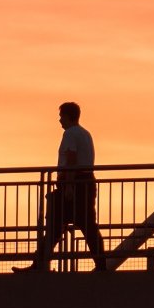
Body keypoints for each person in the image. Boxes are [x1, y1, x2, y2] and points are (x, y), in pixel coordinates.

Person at [28, 99, 109, 272]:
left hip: (74, 184)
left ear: (68, 116)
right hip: (86, 182)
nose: (59, 120)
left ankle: (38, 265)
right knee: (86, 225)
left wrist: (69, 185)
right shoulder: (85, 133)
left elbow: (71, 159)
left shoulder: (70, 134)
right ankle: (101, 264)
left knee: (58, 226)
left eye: (61, 116)